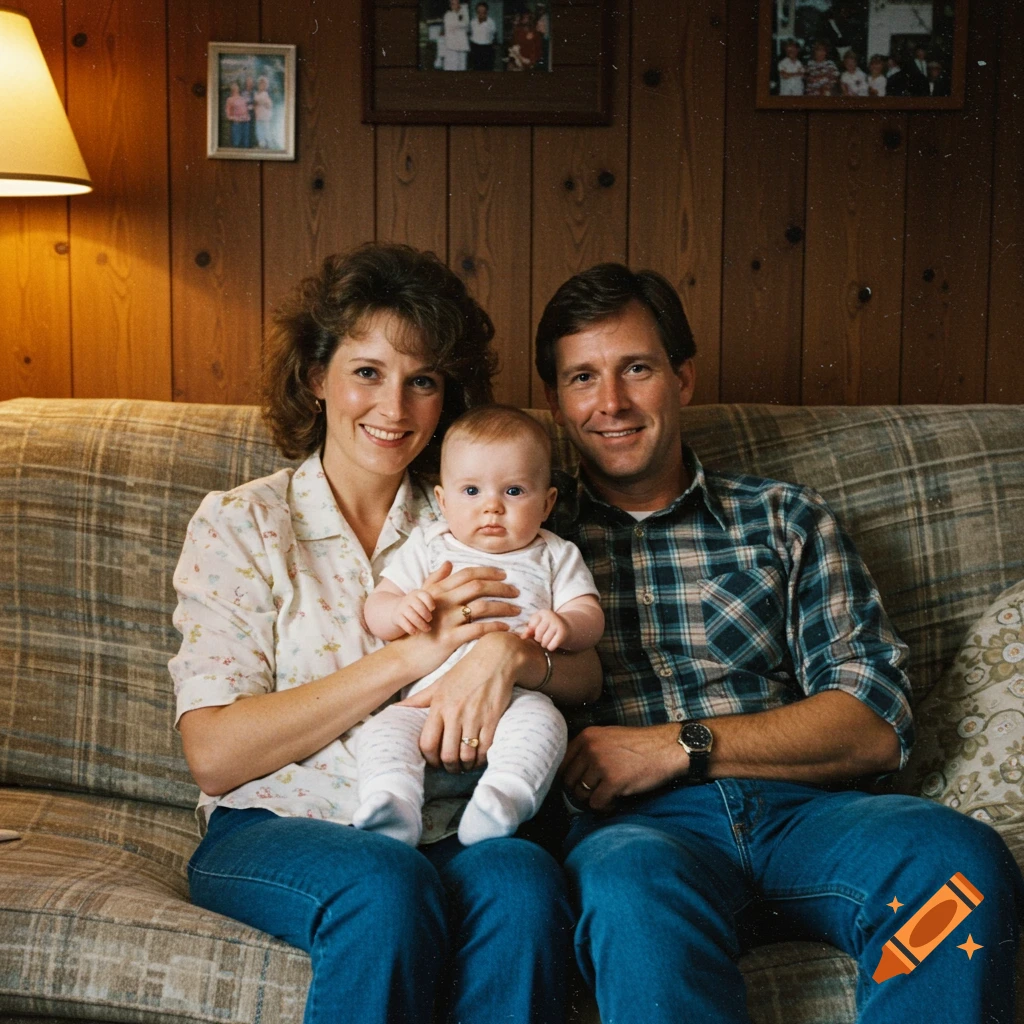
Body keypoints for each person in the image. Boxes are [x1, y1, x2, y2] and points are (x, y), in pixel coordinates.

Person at [534, 262, 1024, 1024]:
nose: (612, 403)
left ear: (683, 377)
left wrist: (677, 744)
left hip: (811, 821)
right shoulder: (529, 540)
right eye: (582, 378)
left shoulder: (783, 519)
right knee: (628, 889)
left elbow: (874, 722)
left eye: (637, 368)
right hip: (640, 836)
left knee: (956, 863)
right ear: (556, 402)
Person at [171, 243, 601, 1024]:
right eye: (368, 371)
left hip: (451, 820)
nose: (394, 408)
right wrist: (413, 656)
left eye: (422, 381)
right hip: (277, 824)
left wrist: (509, 654)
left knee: (525, 886)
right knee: (383, 883)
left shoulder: (475, 511)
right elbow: (214, 753)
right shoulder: (243, 524)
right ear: (317, 376)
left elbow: (585, 675)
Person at [359, 404, 604, 847]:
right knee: (383, 729)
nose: (492, 506)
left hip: (516, 699)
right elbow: (377, 606)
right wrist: (399, 611)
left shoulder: (553, 553)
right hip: (426, 705)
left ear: (547, 502)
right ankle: (393, 802)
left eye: (514, 491)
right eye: (471, 490)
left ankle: (503, 799)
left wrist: (567, 624)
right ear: (442, 501)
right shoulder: (429, 545)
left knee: (545, 723)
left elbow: (590, 616)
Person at [441, 0, 470, 71]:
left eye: (457, 3)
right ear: (450, 5)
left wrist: (459, 24)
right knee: (451, 67)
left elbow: (466, 23)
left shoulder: (464, 12)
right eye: (453, 4)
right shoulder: (448, 15)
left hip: (462, 45)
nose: (455, 6)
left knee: (462, 67)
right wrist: (460, 24)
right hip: (451, 46)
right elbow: (455, 25)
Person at [468, 2, 497, 71]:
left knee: (487, 69)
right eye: (479, 10)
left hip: (487, 49)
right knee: (476, 69)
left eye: (483, 10)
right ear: (477, 11)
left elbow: (495, 34)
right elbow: (470, 33)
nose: (481, 12)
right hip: (475, 48)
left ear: (486, 11)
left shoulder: (491, 22)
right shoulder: (473, 22)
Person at [223, 82, 249, 148]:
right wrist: (235, 118)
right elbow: (228, 114)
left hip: (245, 122)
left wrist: (247, 117)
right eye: (233, 87)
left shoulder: (242, 98)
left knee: (246, 143)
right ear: (231, 89)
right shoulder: (229, 99)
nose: (235, 89)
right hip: (236, 123)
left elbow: (246, 110)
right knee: (236, 142)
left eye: (236, 87)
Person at [252, 75, 274, 149]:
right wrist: (254, 105)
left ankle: (269, 144)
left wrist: (262, 102)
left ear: (265, 85)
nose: (261, 85)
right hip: (258, 115)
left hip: (265, 115)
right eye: (260, 84)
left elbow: (269, 105)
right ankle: (262, 144)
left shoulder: (266, 94)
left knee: (266, 130)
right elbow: (255, 103)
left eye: (263, 84)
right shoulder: (256, 93)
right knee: (259, 131)